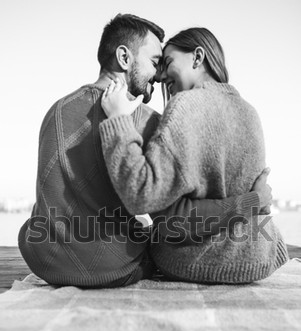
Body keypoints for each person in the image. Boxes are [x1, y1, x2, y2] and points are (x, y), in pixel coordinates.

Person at [18, 16, 273, 288]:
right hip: (115, 268)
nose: (159, 75)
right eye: (154, 62)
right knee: (149, 234)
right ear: (125, 58)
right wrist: (253, 201)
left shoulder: (56, 111)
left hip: (45, 259)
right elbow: (170, 220)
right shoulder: (146, 120)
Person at [100, 27, 288, 284]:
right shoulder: (250, 112)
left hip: (195, 263)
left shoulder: (185, 106)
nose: (161, 75)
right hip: (258, 257)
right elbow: (258, 201)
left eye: (167, 63)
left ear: (198, 58)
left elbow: (143, 195)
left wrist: (118, 121)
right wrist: (253, 201)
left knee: (141, 236)